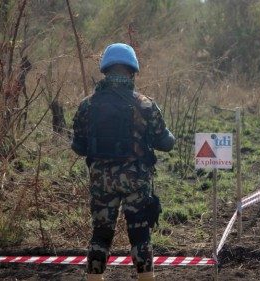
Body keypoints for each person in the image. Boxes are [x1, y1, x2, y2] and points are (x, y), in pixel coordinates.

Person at [71, 43, 175, 281]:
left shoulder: (87, 104)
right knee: (140, 235)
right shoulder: (145, 104)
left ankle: (94, 279)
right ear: (132, 71)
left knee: (100, 235)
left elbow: (78, 147)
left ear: (105, 70)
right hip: (136, 181)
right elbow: (166, 143)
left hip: (101, 181)